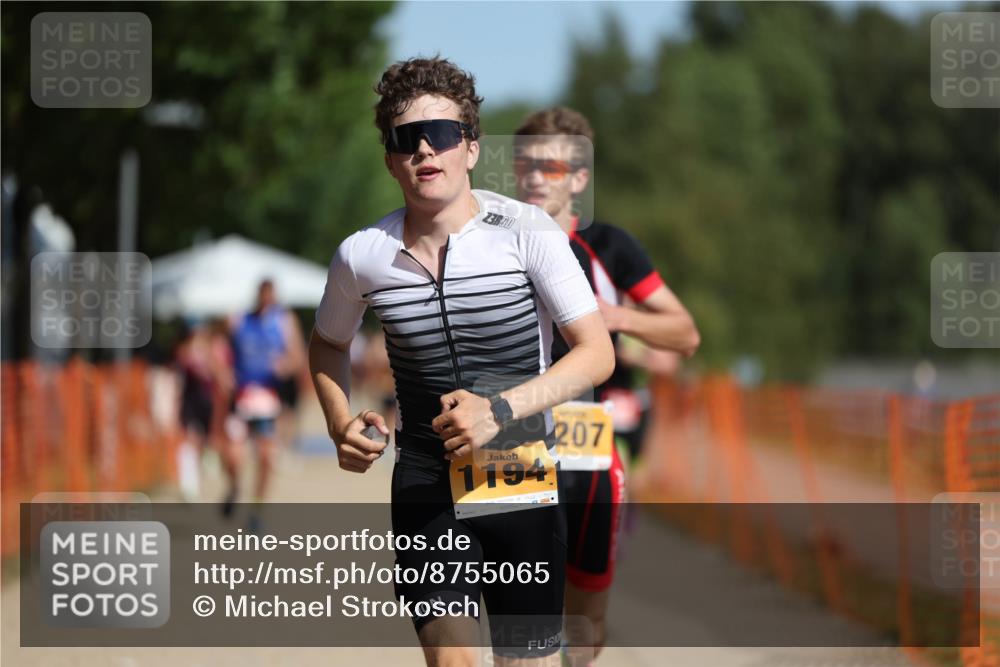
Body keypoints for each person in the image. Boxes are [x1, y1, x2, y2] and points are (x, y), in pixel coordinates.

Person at [309, 58, 614, 667]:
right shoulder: (362, 255)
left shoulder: (525, 231)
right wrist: (339, 418)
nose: (425, 148)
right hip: (424, 477)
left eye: (443, 134)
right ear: (390, 158)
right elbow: (328, 343)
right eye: (405, 138)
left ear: (471, 148)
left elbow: (596, 352)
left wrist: (500, 408)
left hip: (519, 472)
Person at [513, 107, 700, 665]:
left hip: (588, 450)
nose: (535, 177)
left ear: (578, 179)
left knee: (585, 617)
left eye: (551, 166)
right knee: (518, 611)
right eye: (525, 164)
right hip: (514, 443)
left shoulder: (610, 247)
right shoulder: (492, 245)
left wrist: (613, 319)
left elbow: (685, 333)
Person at [223, 279, 297, 523]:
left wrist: (284, 366)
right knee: (233, 456)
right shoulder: (239, 320)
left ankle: (257, 507)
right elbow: (219, 349)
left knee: (266, 457)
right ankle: (234, 488)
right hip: (242, 395)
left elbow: (297, 357)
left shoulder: (283, 321)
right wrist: (224, 373)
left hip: (267, 398)